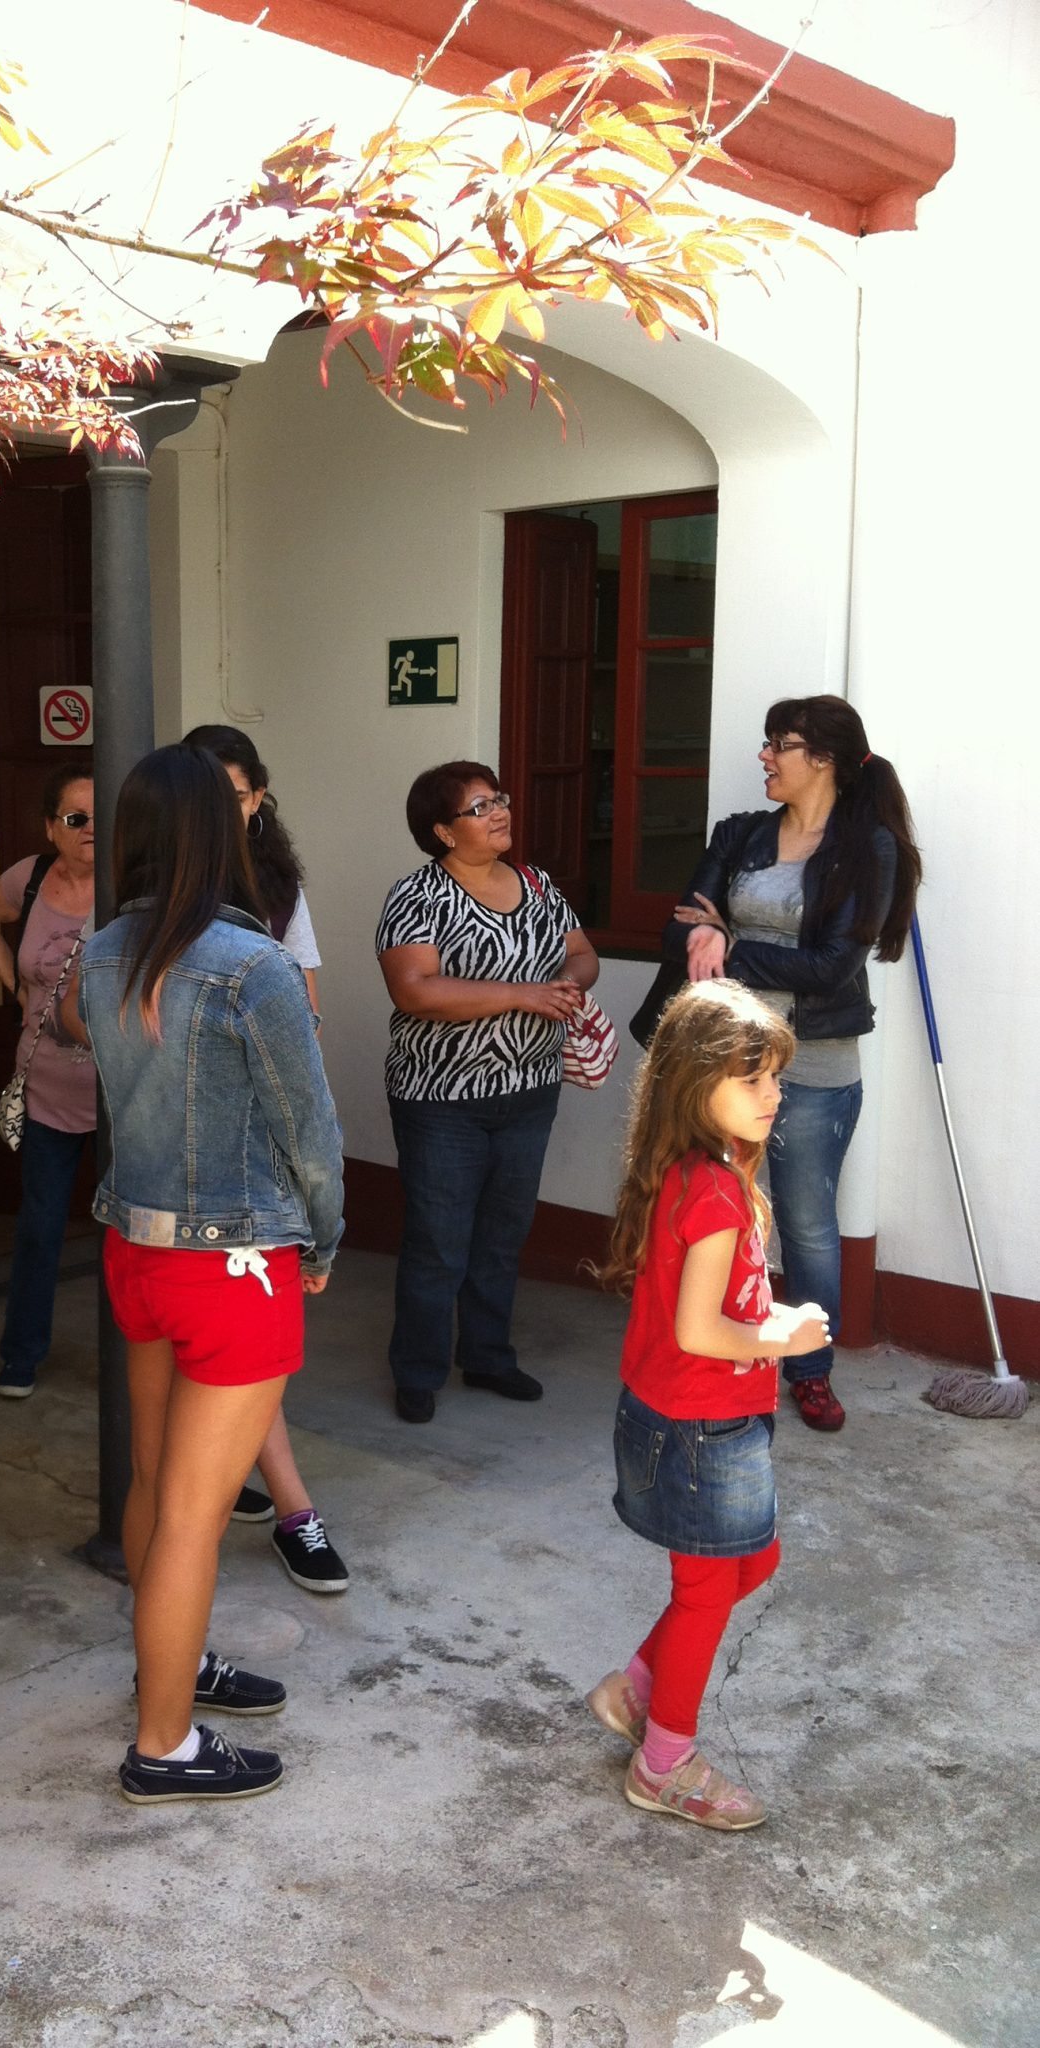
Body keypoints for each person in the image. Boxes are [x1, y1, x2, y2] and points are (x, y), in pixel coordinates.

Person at [74, 745, 344, 1805]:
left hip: (137, 1252)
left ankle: (172, 1668)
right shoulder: (251, 964)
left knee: (155, 1487)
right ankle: (165, 1744)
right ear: (221, 834)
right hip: (233, 1267)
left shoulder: (102, 953)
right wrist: (323, 1240)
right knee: (194, 1512)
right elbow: (310, 1132)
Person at [586, 980, 830, 1831]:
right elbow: (700, 1330)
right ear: (695, 1086)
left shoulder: (700, 1172)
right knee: (706, 1591)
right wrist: (783, 1334)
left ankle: (636, 1690)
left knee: (747, 1567)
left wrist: (765, 1327)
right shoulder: (716, 1191)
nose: (773, 1095)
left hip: (691, 1417)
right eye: (751, 1079)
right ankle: (663, 1763)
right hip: (702, 1426)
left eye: (775, 1078)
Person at [662, 696, 921, 1433]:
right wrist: (703, 933)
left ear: (825, 759)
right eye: (768, 742)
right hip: (723, 1061)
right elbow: (680, 928)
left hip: (813, 1066)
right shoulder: (740, 834)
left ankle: (809, 1368)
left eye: (781, 743)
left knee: (806, 1227)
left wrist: (729, 942)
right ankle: (720, 1343)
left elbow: (833, 967)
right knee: (713, 1212)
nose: (765, 755)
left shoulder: (867, 848)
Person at [375, 761, 599, 1423]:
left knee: (503, 1235)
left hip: (530, 1089)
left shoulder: (536, 884)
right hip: (441, 1098)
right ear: (443, 831)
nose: (499, 811)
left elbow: (583, 953)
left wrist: (567, 985)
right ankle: (417, 1369)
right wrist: (524, 994)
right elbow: (414, 990)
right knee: (439, 1241)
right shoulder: (417, 895)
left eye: (498, 798)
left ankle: (487, 1355)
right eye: (479, 807)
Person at [181, 722, 347, 1594]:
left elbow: (305, 1010)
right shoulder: (160, 891)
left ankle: (265, 1494)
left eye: (238, 794)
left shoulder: (278, 886)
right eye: (207, 794)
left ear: (259, 799)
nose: (224, 810)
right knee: (239, 1340)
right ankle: (288, 1508)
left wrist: (298, 1114)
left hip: (268, 1128)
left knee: (253, 1341)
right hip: (188, 1142)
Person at [0, 763, 95, 1398]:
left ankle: (134, 1362)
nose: (91, 828)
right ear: (51, 827)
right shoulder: (31, 879)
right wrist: (16, 987)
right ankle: (21, 1354)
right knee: (40, 1227)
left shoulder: (134, 886)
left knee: (129, 1235)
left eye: (102, 817)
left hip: (123, 1092)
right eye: (76, 818)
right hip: (46, 1087)